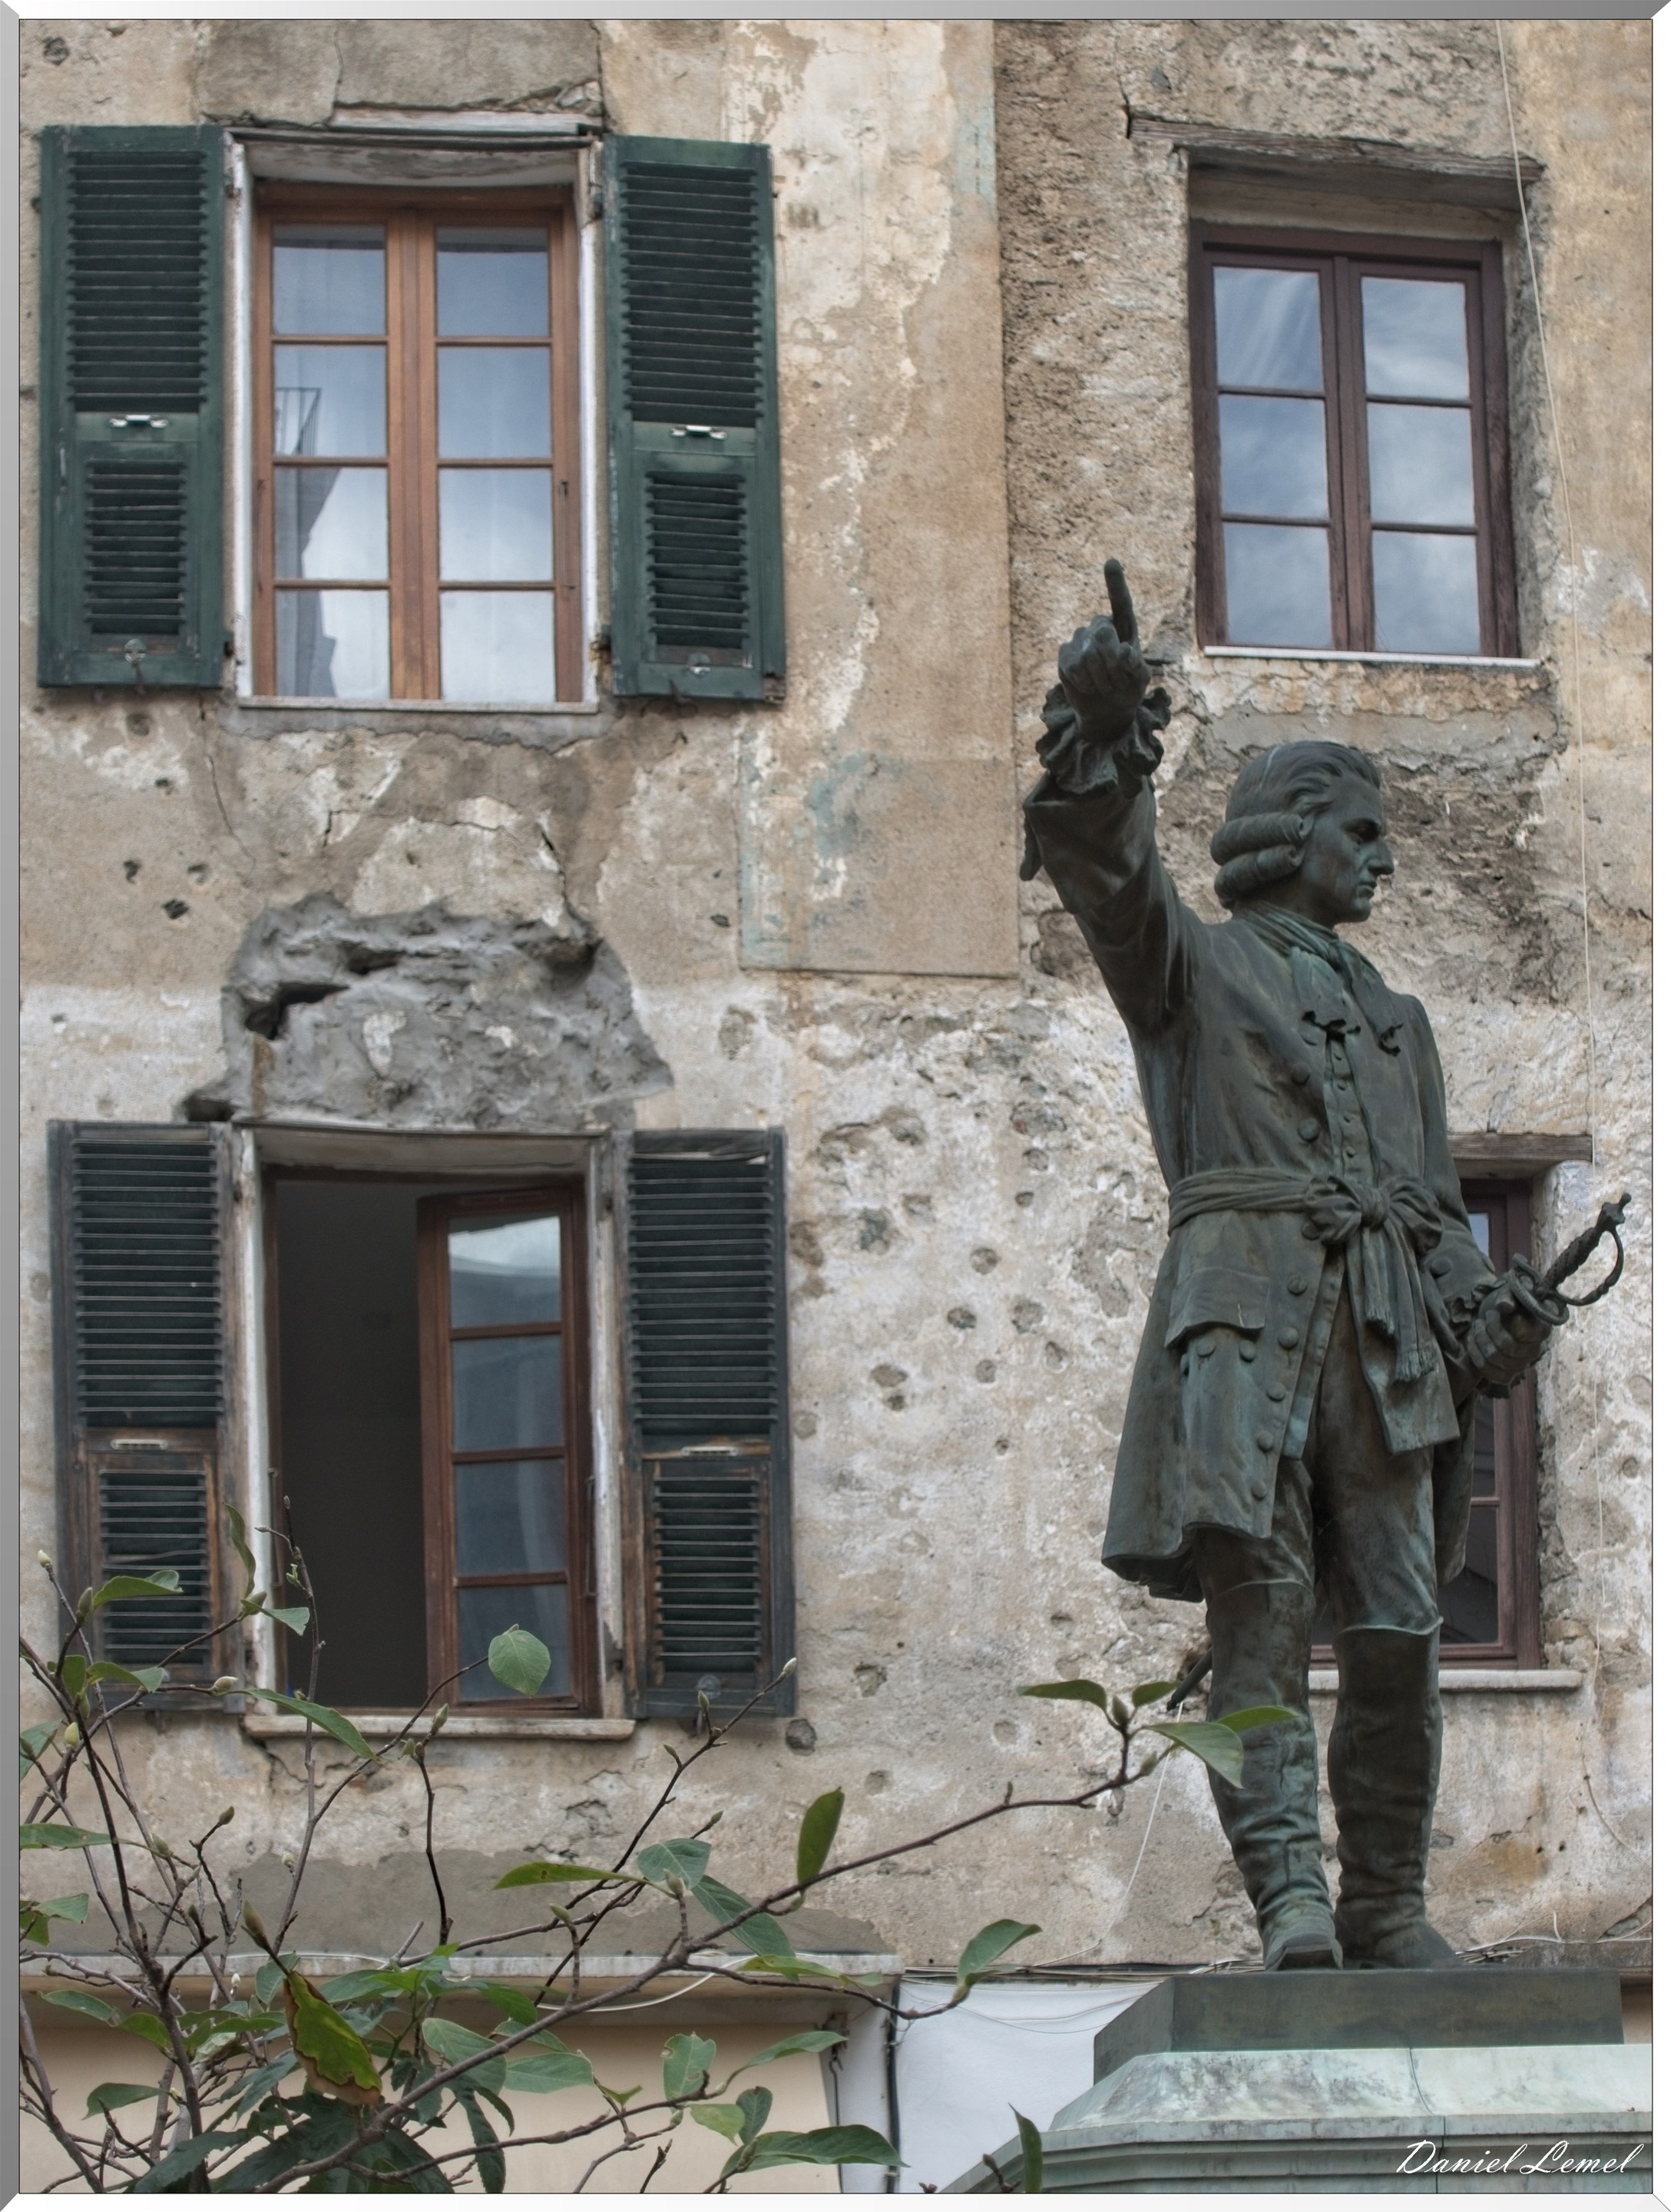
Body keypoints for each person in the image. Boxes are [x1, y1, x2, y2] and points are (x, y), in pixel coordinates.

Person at [1021, 560, 1554, 1970]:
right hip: (1244, 1327)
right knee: (1258, 1623)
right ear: (1298, 835)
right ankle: (1292, 1902)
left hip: (1382, 1348)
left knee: (1398, 1626)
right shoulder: (1191, 968)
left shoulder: (1401, 1023)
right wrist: (1101, 740)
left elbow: (1431, 1210)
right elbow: (1107, 871)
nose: (1384, 858)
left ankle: (1387, 1901)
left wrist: (1485, 1307)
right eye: (1365, 833)